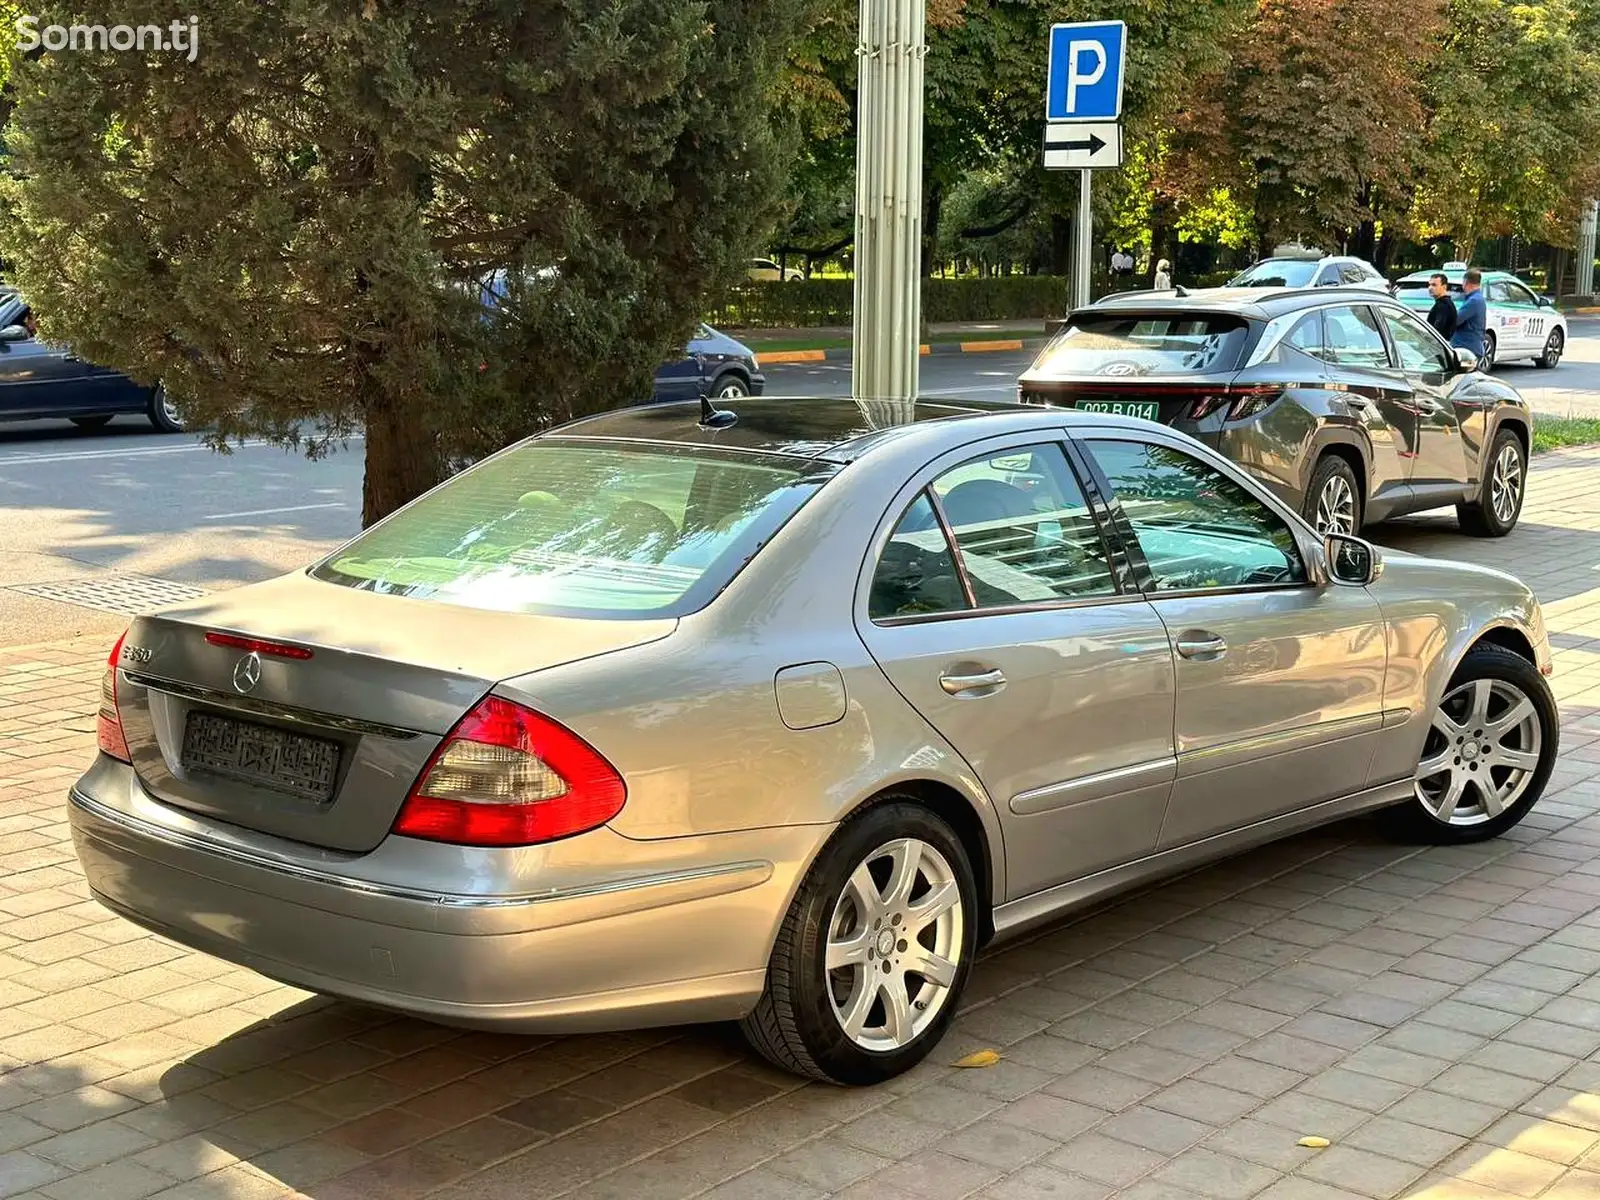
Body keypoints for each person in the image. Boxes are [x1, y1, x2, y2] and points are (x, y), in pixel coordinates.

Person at [1452, 268, 1487, 361]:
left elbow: (1456, 320)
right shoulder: (1478, 299)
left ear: (1466, 283)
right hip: (1471, 346)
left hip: (1467, 348)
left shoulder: (1473, 301)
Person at [1425, 273, 1457, 339]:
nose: (1430, 288)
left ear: (1444, 287)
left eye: (1434, 285)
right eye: (1429, 285)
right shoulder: (1442, 303)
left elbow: (1437, 330)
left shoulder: (1444, 305)